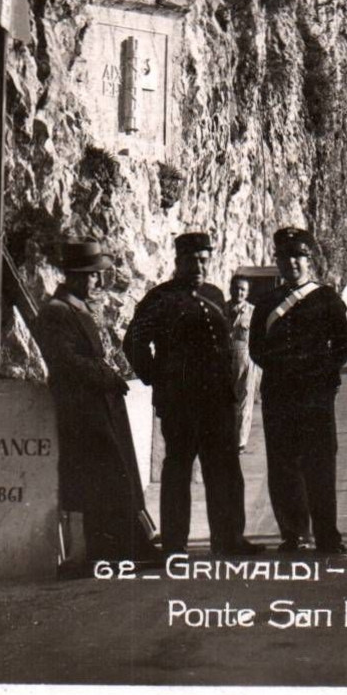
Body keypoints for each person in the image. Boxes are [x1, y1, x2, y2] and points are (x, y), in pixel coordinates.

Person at [124, 232, 261, 557]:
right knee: (178, 471)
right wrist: (159, 378)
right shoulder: (160, 299)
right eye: (192, 259)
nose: (198, 265)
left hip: (217, 401)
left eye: (204, 259)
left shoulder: (215, 294)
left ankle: (229, 539)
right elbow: (133, 342)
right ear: (178, 261)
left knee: (225, 469)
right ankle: (174, 545)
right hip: (181, 403)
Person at [35, 240, 159, 571]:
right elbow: (65, 361)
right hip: (82, 407)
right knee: (102, 479)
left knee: (115, 475)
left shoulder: (76, 307)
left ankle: (126, 547)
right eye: (90, 276)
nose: (97, 282)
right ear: (73, 276)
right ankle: (107, 551)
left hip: (99, 404)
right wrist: (104, 375)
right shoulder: (56, 312)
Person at [249, 227, 347, 554]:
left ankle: (326, 534)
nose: (291, 263)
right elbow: (256, 349)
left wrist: (323, 377)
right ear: (277, 261)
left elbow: (342, 346)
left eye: (298, 257)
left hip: (316, 396)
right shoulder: (266, 303)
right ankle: (293, 533)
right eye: (284, 257)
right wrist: (282, 368)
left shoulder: (326, 298)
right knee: (283, 464)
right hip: (280, 392)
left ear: (308, 260)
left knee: (320, 465)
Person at [229, 275, 261, 452]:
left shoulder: (253, 312)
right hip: (225, 358)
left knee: (244, 400)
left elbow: (257, 338)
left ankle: (240, 442)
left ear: (247, 292)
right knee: (226, 400)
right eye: (236, 288)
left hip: (245, 358)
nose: (238, 292)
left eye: (242, 289)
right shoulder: (222, 309)